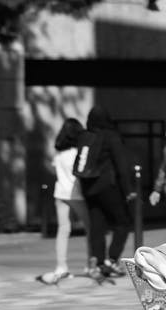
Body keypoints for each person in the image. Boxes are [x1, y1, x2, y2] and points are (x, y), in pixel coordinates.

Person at [78, 106, 134, 280]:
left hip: (88, 188)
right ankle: (112, 259)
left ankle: (98, 261)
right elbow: (121, 165)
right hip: (108, 187)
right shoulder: (111, 136)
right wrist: (128, 190)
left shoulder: (85, 136)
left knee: (97, 225)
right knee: (122, 222)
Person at [36, 118, 91, 285]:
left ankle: (61, 266)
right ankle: (90, 264)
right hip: (77, 195)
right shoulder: (78, 153)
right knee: (90, 229)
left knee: (63, 230)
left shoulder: (59, 155)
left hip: (60, 194)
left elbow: (55, 171)